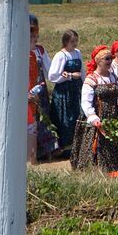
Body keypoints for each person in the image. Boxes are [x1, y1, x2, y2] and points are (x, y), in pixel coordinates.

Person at [71, 45, 118, 177]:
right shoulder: (92, 79)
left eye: (110, 58)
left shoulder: (113, 77)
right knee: (101, 147)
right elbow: (86, 101)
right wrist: (92, 116)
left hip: (114, 116)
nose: (110, 61)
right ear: (98, 61)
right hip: (99, 117)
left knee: (117, 145)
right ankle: (100, 173)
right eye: (106, 59)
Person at [28, 16, 61, 161]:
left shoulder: (40, 50)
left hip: (40, 90)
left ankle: (47, 150)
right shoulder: (21, 50)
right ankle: (33, 152)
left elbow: (50, 69)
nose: (35, 38)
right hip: (27, 89)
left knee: (44, 119)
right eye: (32, 35)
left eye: (36, 35)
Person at [48, 29, 84, 147]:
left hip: (76, 90)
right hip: (64, 93)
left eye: (76, 41)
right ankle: (65, 147)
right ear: (66, 41)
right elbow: (52, 76)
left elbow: (82, 71)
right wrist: (69, 76)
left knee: (77, 116)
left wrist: (84, 84)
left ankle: (76, 146)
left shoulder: (77, 53)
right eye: (72, 41)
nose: (75, 44)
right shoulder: (60, 56)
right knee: (65, 120)